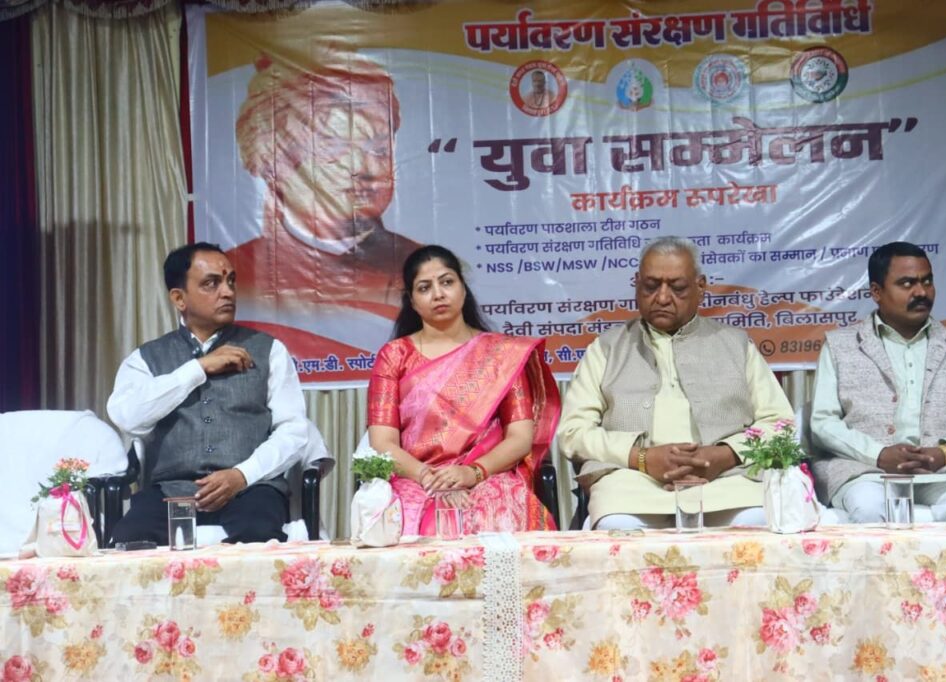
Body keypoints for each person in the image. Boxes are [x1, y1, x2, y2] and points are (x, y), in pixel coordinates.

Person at [558, 236, 795, 529]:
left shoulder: (736, 345)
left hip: (726, 480)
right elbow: (572, 433)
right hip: (632, 482)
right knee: (617, 526)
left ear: (701, 287)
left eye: (677, 287)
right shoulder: (606, 349)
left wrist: (724, 455)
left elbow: (781, 425)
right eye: (651, 286)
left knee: (757, 522)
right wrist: (641, 458)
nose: (662, 297)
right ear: (637, 284)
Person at [107, 243, 308, 545]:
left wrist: (241, 475)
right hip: (171, 492)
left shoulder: (269, 350)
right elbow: (128, 418)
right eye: (211, 283)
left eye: (230, 281)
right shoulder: (145, 359)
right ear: (179, 298)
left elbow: (293, 431)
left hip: (250, 488)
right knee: (129, 540)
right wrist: (197, 369)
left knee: (258, 535)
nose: (227, 292)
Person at [229, 50, 420, 352]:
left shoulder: (421, 267)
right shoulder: (234, 275)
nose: (363, 168)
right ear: (273, 156)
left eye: (379, 149)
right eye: (334, 145)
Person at [367, 245, 559, 534]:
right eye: (424, 287)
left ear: (463, 288)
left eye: (447, 282)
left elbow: (520, 438)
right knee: (411, 525)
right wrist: (429, 478)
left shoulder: (502, 354)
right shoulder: (394, 356)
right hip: (416, 477)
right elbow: (382, 442)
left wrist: (472, 473)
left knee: (495, 519)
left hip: (487, 475)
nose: (438, 294)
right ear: (412, 301)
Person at [810, 241, 946, 522]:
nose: (921, 292)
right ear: (876, 292)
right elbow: (823, 423)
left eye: (927, 281)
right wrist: (878, 455)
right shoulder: (840, 346)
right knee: (868, 508)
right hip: (866, 473)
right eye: (907, 283)